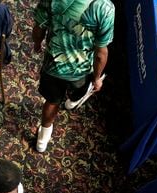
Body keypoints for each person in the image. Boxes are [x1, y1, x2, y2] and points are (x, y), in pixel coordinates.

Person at [31, 0, 115, 152]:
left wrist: (37, 43)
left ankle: (42, 141)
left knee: (51, 102)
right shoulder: (104, 7)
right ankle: (71, 102)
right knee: (80, 90)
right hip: (81, 70)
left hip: (53, 66)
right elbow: (101, 53)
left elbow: (39, 27)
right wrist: (97, 78)